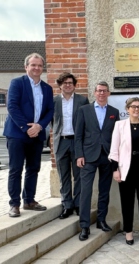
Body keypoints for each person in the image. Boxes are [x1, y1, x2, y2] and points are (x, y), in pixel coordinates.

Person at [4, 53, 54, 217]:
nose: (37, 68)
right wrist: (26, 128)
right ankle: (14, 204)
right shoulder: (17, 83)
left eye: (39, 65)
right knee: (16, 170)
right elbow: (12, 107)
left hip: (37, 135)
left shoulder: (47, 88)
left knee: (33, 168)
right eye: (33, 65)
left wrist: (39, 126)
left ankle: (29, 200)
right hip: (17, 134)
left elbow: (49, 111)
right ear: (26, 67)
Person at [75, 81, 120, 241]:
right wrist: (79, 155)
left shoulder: (114, 112)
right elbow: (78, 135)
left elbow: (117, 137)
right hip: (88, 156)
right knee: (86, 191)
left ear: (108, 93)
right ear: (94, 93)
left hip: (107, 156)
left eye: (105, 91)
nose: (102, 93)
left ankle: (101, 220)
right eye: (99, 90)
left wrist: (116, 157)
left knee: (104, 191)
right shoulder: (84, 110)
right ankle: (85, 226)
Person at [109, 97, 139, 245]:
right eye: (133, 106)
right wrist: (115, 170)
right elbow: (114, 149)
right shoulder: (119, 125)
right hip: (126, 170)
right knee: (127, 203)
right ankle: (129, 233)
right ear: (127, 109)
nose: (136, 109)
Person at [52, 72, 89, 219]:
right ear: (60, 85)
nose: (68, 85)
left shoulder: (82, 100)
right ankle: (67, 205)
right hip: (61, 141)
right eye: (65, 83)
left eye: (70, 83)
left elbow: (86, 121)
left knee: (79, 175)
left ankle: (78, 204)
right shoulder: (53, 101)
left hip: (77, 141)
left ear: (74, 85)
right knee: (63, 175)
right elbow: (51, 121)